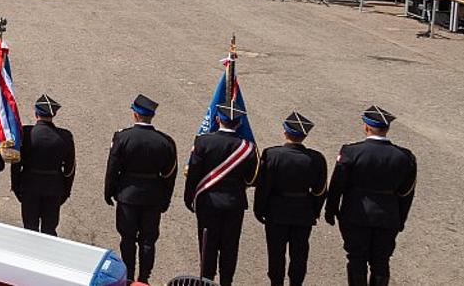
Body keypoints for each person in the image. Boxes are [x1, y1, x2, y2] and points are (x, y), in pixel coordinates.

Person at [325, 106, 416, 286]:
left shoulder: (351, 152)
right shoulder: (405, 157)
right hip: (388, 216)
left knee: (356, 259)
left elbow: (338, 185)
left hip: (355, 214)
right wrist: (400, 219)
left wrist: (331, 209)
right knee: (381, 261)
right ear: (387, 129)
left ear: (366, 127)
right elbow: (406, 192)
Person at [105, 94, 177, 285]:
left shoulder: (123, 137)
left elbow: (113, 168)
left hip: (127, 195)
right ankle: (144, 278)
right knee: (148, 240)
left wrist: (109, 191)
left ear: (135, 115)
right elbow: (170, 174)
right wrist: (165, 199)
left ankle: (128, 277)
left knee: (127, 238)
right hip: (153, 197)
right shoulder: (165, 142)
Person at [185, 102, 258, 286]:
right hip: (234, 204)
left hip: (208, 202)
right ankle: (227, 282)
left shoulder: (203, 142)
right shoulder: (247, 148)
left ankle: (207, 281)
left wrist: (189, 198)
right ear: (239, 124)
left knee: (207, 246)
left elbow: (194, 173)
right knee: (229, 248)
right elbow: (251, 179)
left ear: (217, 119)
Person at [256, 112, 328, 286]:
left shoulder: (271, 155)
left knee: (276, 252)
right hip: (303, 211)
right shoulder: (317, 158)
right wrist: (314, 211)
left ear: (285, 132)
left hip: (276, 211)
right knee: (299, 253)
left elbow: (263, 187)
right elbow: (320, 191)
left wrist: (259, 209)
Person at [12, 94, 74, 235]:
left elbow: (16, 163)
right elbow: (69, 169)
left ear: (36, 113)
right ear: (53, 115)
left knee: (29, 229)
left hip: (29, 187)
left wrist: (16, 186)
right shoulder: (65, 136)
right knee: (49, 230)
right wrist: (65, 191)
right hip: (54, 188)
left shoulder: (26, 133)